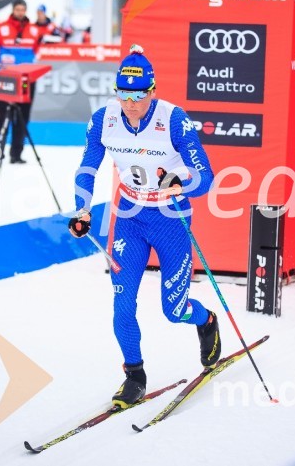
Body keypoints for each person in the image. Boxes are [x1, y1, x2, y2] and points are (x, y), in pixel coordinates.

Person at [68, 44, 221, 408]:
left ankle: (206, 320)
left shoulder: (174, 119)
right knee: (122, 304)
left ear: (153, 91)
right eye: (123, 94)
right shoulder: (103, 118)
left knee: (175, 309)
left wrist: (182, 183)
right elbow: (88, 166)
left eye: (138, 95)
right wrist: (82, 209)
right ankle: (134, 376)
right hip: (130, 217)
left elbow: (207, 176)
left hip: (170, 218)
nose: (131, 103)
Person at [0, 0, 42, 165]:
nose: (20, 12)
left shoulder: (33, 30)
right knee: (2, 117)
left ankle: (16, 155)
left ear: (26, 11)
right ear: (13, 10)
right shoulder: (1, 28)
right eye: (17, 9)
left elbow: (36, 50)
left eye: (23, 9)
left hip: (27, 79)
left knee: (23, 118)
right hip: (7, 79)